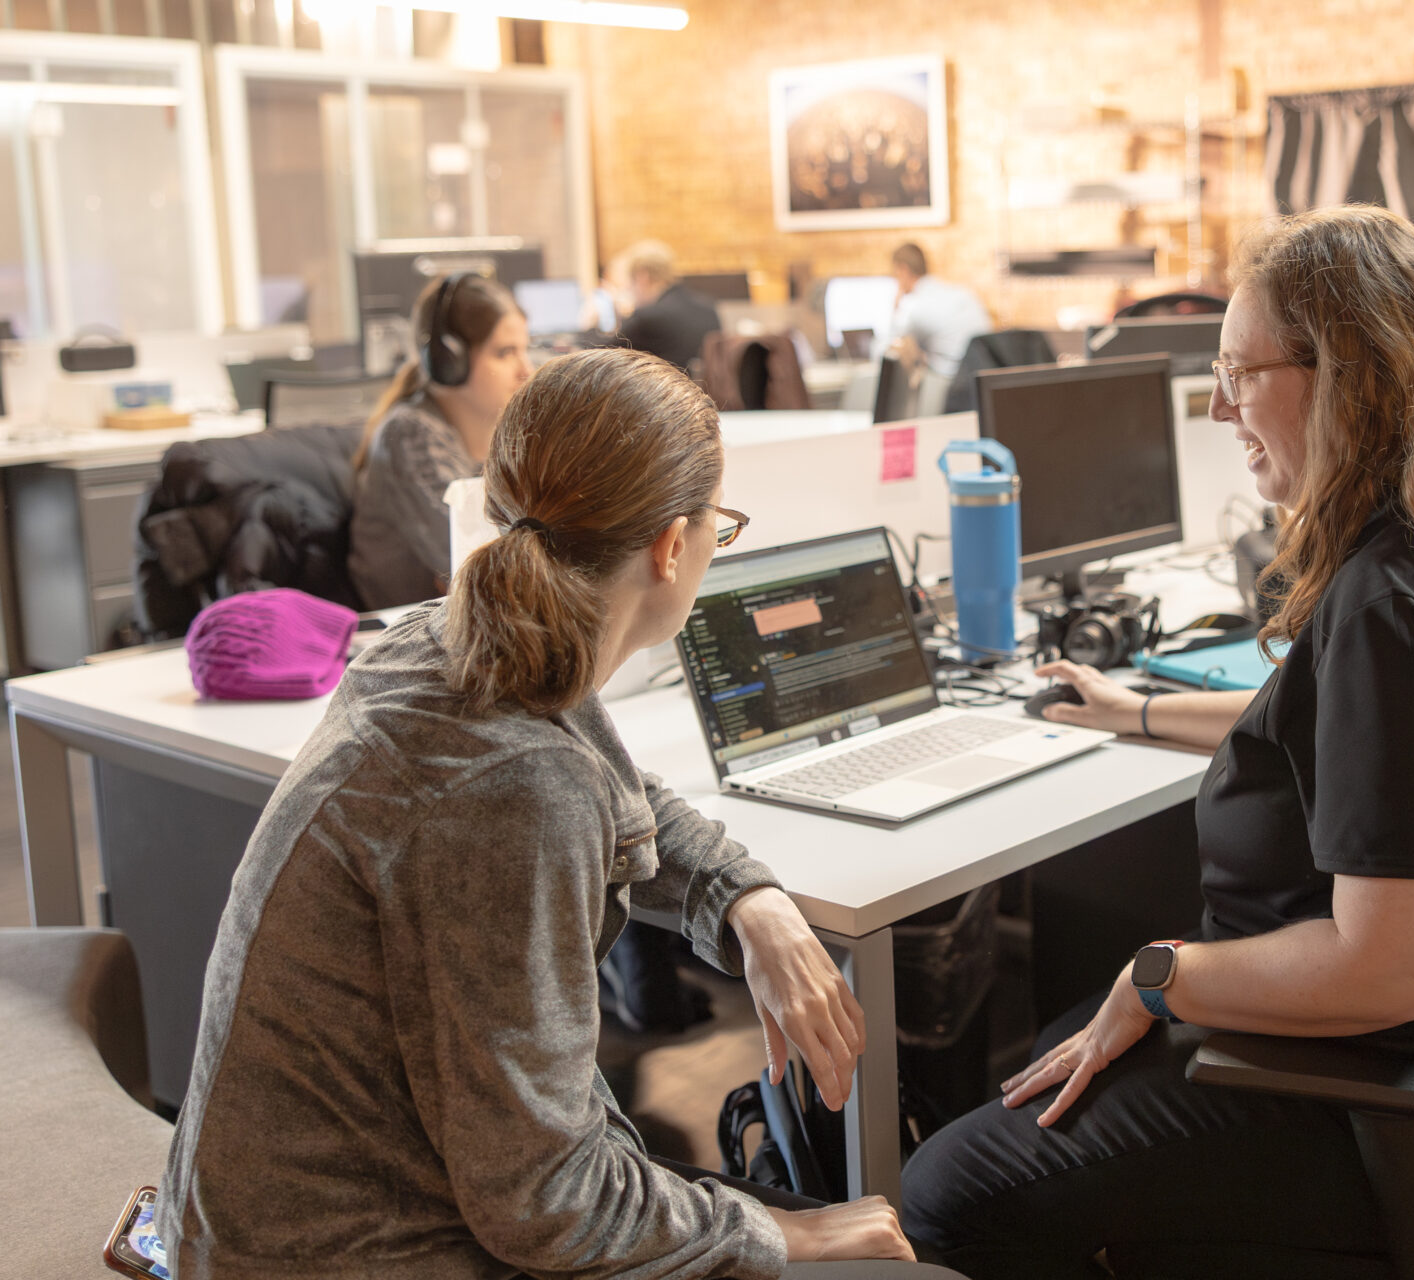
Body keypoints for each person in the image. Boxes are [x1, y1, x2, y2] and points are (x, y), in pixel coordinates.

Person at [900, 205, 1414, 1278]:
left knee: (949, 1192)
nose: (1215, 406)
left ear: (1354, 376)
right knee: (1047, 1047)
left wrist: (1162, 975)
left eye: (1239, 373)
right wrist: (1137, 708)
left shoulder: (1399, 603)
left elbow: (1388, 966)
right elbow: (1321, 720)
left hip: (1391, 1090)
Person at [158, 348, 921, 1278]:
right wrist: (780, 1237)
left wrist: (744, 899)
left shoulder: (451, 637)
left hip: (319, 1200)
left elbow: (610, 780)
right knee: (870, 1253)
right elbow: (551, 1207)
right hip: (352, 1251)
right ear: (671, 547)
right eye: (720, 528)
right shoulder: (514, 789)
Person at [348, 272, 531, 610]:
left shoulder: (502, 435)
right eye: (505, 352)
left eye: (524, 349)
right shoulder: (409, 436)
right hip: (413, 641)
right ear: (450, 361)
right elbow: (479, 562)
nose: (526, 370)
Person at [883, 243, 990, 381]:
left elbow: (889, 352)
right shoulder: (963, 294)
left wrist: (895, 308)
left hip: (949, 383)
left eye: (894, 274)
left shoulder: (917, 307)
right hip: (979, 380)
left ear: (903, 270)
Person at [616, 239, 723, 373]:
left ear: (642, 277)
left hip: (663, 392)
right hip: (699, 392)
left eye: (629, 283)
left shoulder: (648, 317)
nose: (628, 289)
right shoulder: (709, 308)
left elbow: (602, 351)